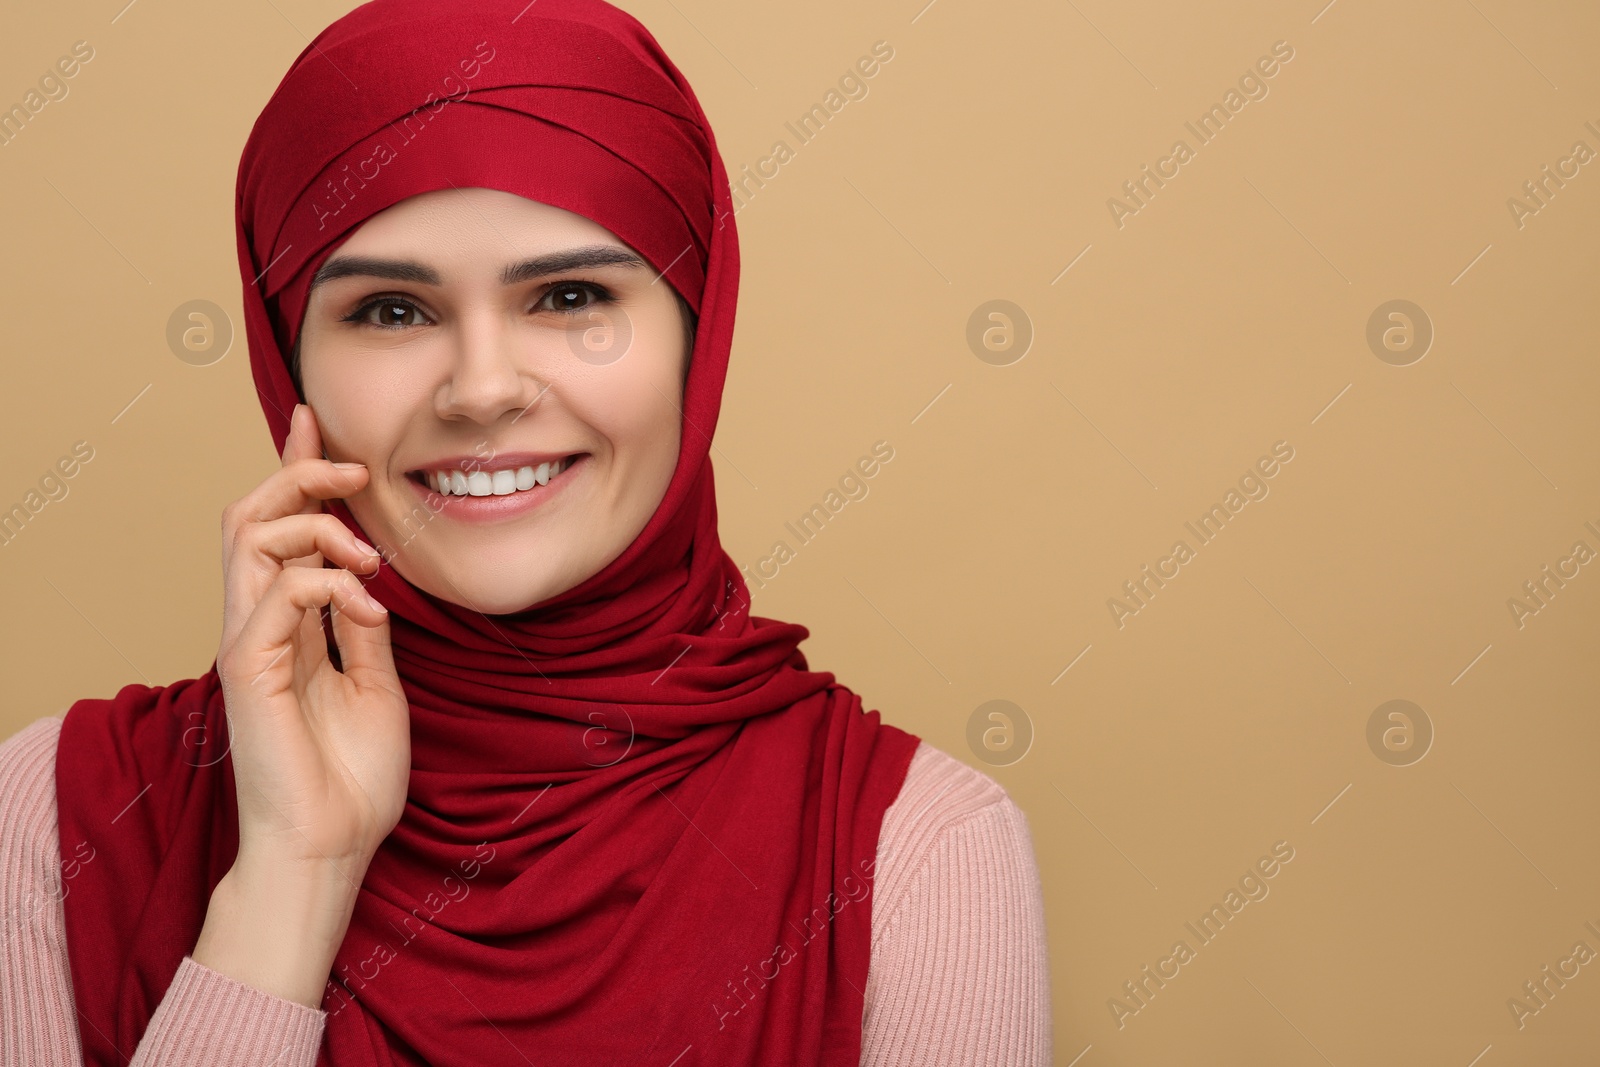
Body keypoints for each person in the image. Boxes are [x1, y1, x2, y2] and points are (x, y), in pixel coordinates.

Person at [0, 0, 1051, 1063]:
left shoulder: (917, 848)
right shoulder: (51, 816)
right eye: (392, 311)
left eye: (570, 295)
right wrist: (289, 873)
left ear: (698, 334)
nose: (484, 389)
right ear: (288, 362)